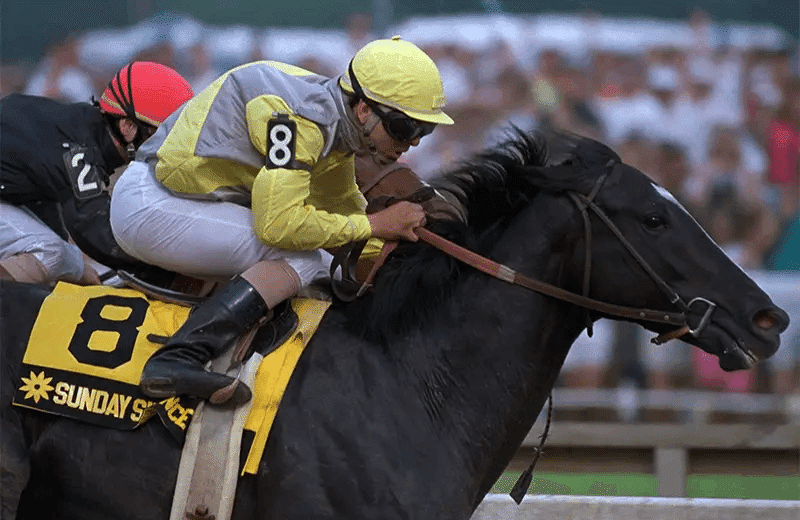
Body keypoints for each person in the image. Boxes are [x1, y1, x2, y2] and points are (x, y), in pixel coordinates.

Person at [109, 37, 454, 406]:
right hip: (152, 203)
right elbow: (279, 226)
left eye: (424, 130)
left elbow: (341, 211)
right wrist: (377, 226)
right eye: (404, 128)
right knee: (300, 260)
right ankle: (178, 357)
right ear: (365, 110)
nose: (414, 142)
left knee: (326, 267)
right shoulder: (300, 120)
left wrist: (406, 252)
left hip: (186, 201)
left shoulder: (338, 129)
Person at [0, 61, 194, 285]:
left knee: (72, 264)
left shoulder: (81, 131)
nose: (170, 146)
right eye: (162, 135)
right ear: (128, 127)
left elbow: (43, 194)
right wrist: (172, 269)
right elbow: (94, 232)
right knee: (49, 251)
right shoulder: (77, 149)